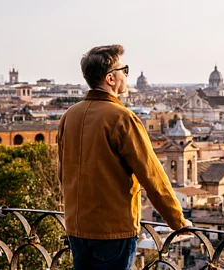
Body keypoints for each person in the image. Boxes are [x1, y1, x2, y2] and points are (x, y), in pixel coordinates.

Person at [57, 45, 191, 270]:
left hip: (76, 226)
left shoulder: (70, 116)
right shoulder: (122, 118)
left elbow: (63, 173)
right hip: (112, 230)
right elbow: (152, 176)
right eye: (124, 69)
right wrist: (177, 221)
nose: (127, 75)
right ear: (110, 78)